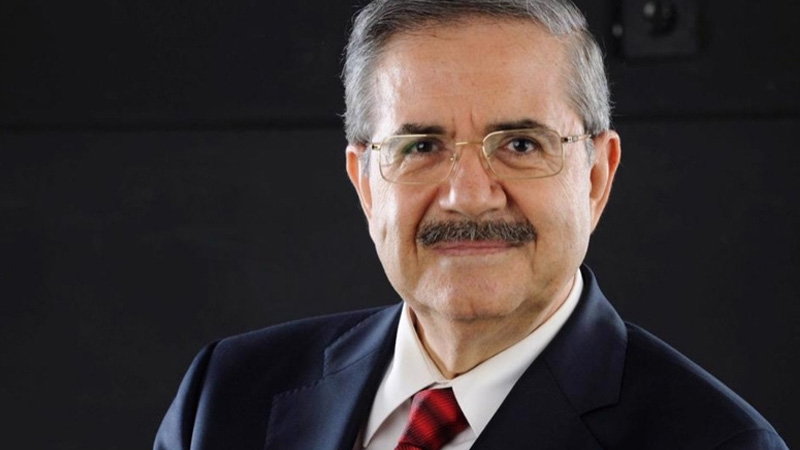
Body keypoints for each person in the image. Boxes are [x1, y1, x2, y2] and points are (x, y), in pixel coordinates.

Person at [153, 0, 789, 449]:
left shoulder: (717, 442)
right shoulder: (225, 398)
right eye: (421, 146)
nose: (468, 198)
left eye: (519, 144)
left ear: (596, 177)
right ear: (365, 183)